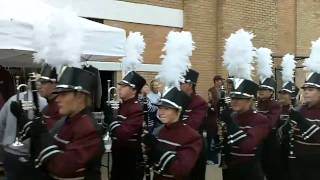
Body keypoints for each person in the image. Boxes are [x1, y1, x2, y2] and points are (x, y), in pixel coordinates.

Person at [16, 67, 105, 179]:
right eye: (58, 94)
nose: (57, 99)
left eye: (63, 94)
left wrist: (43, 135)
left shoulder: (88, 128)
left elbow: (62, 168)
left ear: (80, 96)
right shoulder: (66, 120)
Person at [142, 87, 202, 180]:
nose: (161, 112)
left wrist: (156, 148)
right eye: (160, 108)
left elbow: (181, 170)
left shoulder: (191, 136)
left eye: (166, 108)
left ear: (179, 111)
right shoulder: (159, 131)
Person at [221, 78, 270, 180]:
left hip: (250, 172)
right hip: (231, 169)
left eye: (239, 98)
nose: (234, 101)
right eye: (233, 97)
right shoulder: (233, 116)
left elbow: (247, 146)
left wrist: (230, 123)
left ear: (250, 100)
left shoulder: (260, 119)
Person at [0, 76, 47, 180]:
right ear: (40, 86)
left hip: (10, 152)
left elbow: (0, 123)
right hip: (31, 154)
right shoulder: (44, 102)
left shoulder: (12, 99)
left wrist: (3, 143)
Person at [108, 71, 146, 180]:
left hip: (129, 161)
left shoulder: (135, 108)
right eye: (120, 85)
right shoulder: (123, 105)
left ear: (134, 90)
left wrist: (112, 123)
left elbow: (123, 134)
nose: (119, 88)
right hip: (119, 158)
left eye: (124, 86)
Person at [287, 71, 320, 180]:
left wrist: (300, 120)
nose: (305, 93)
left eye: (310, 90)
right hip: (296, 162)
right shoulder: (300, 109)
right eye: (305, 90)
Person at [180, 69, 208, 180]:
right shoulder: (177, 99)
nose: (179, 85)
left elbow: (192, 125)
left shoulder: (199, 102)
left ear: (190, 85)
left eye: (181, 83)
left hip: (194, 147)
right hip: (179, 146)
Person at [256, 77, 282, 180]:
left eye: (264, 89)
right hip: (259, 142)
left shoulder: (275, 105)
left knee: (271, 171)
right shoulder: (258, 103)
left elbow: (270, 123)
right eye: (260, 89)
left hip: (270, 143)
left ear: (271, 91)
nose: (260, 91)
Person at [206, 75, 225, 164]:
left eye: (221, 80)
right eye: (220, 80)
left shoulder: (222, 91)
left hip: (219, 117)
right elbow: (211, 101)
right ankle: (210, 158)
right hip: (213, 117)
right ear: (216, 81)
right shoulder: (211, 90)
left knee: (218, 139)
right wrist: (213, 106)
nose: (221, 82)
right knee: (211, 138)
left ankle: (216, 158)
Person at [37, 64, 61, 130]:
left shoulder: (61, 108)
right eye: (39, 82)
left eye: (43, 82)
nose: (39, 87)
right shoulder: (46, 108)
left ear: (56, 85)